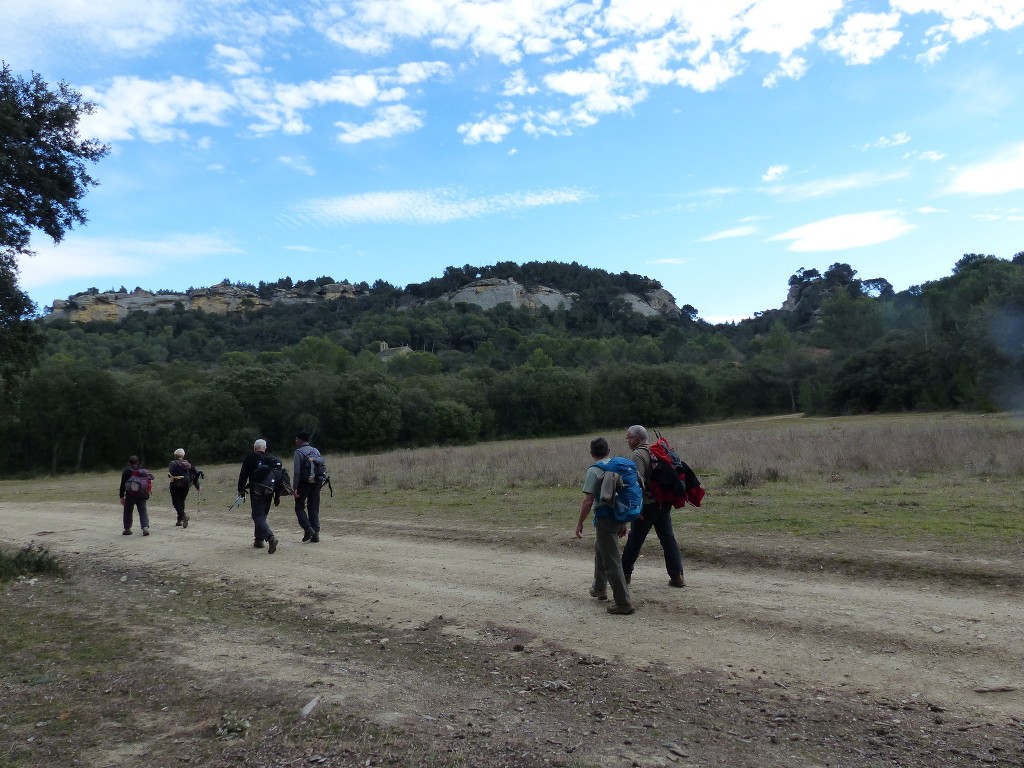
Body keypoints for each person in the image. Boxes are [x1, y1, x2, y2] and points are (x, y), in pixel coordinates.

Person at [574, 437, 635, 615]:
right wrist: (624, 521)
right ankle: (599, 588)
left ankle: (623, 603)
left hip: (605, 518)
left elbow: (588, 501)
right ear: (608, 451)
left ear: (592, 454)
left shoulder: (594, 471)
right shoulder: (617, 465)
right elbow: (624, 495)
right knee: (601, 548)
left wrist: (579, 523)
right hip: (619, 516)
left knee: (612, 560)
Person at [621, 425, 686, 588]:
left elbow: (636, 483)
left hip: (647, 506)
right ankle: (677, 576)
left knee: (635, 540)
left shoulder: (637, 455)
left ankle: (624, 576)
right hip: (663, 504)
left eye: (628, 438)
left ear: (635, 439)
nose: (627, 440)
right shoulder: (658, 451)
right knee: (668, 539)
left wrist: (634, 508)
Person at [237, 438, 283, 554]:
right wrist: (277, 496)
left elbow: (243, 475)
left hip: (256, 491)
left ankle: (270, 537)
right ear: (265, 448)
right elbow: (278, 478)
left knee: (257, 516)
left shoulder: (250, 458)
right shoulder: (271, 459)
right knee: (262, 515)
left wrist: (240, 490)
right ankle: (258, 540)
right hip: (270, 490)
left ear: (254, 448)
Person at [292, 431, 323, 543]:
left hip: (303, 483)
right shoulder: (316, 450)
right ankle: (316, 534)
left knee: (299, 507)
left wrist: (295, 487)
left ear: (301, 440)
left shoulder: (298, 452)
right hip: (316, 482)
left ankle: (307, 528)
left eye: (296, 439)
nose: (295, 441)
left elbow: (297, 471)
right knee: (313, 507)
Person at [118, 455, 154, 536]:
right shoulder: (143, 471)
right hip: (142, 494)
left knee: (128, 511)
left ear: (129, 463)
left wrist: (121, 496)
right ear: (137, 462)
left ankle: (127, 529)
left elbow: (123, 485)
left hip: (130, 494)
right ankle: (145, 527)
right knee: (142, 510)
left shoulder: (126, 471)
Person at [167, 447, 202, 529]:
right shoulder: (187, 463)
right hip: (186, 485)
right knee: (181, 501)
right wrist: (197, 485)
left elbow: (171, 473)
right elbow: (196, 472)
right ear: (183, 455)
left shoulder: (172, 463)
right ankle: (179, 520)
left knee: (176, 503)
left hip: (175, 485)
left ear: (175, 455)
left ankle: (183, 516)